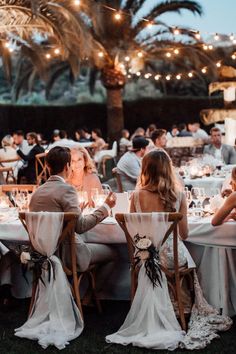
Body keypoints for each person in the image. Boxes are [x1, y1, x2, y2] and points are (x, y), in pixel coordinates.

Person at [106, 149, 232, 350]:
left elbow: (133, 231)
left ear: (145, 169)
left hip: (144, 256)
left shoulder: (136, 196)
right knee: (188, 258)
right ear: (168, 170)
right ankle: (180, 306)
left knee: (156, 254)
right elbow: (184, 235)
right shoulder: (178, 195)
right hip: (170, 258)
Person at [29, 146, 117, 272]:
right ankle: (93, 291)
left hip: (41, 255)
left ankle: (81, 286)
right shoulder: (68, 190)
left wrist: (76, 212)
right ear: (67, 167)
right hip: (67, 255)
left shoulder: (37, 192)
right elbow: (80, 227)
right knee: (115, 253)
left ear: (48, 167)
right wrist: (106, 207)